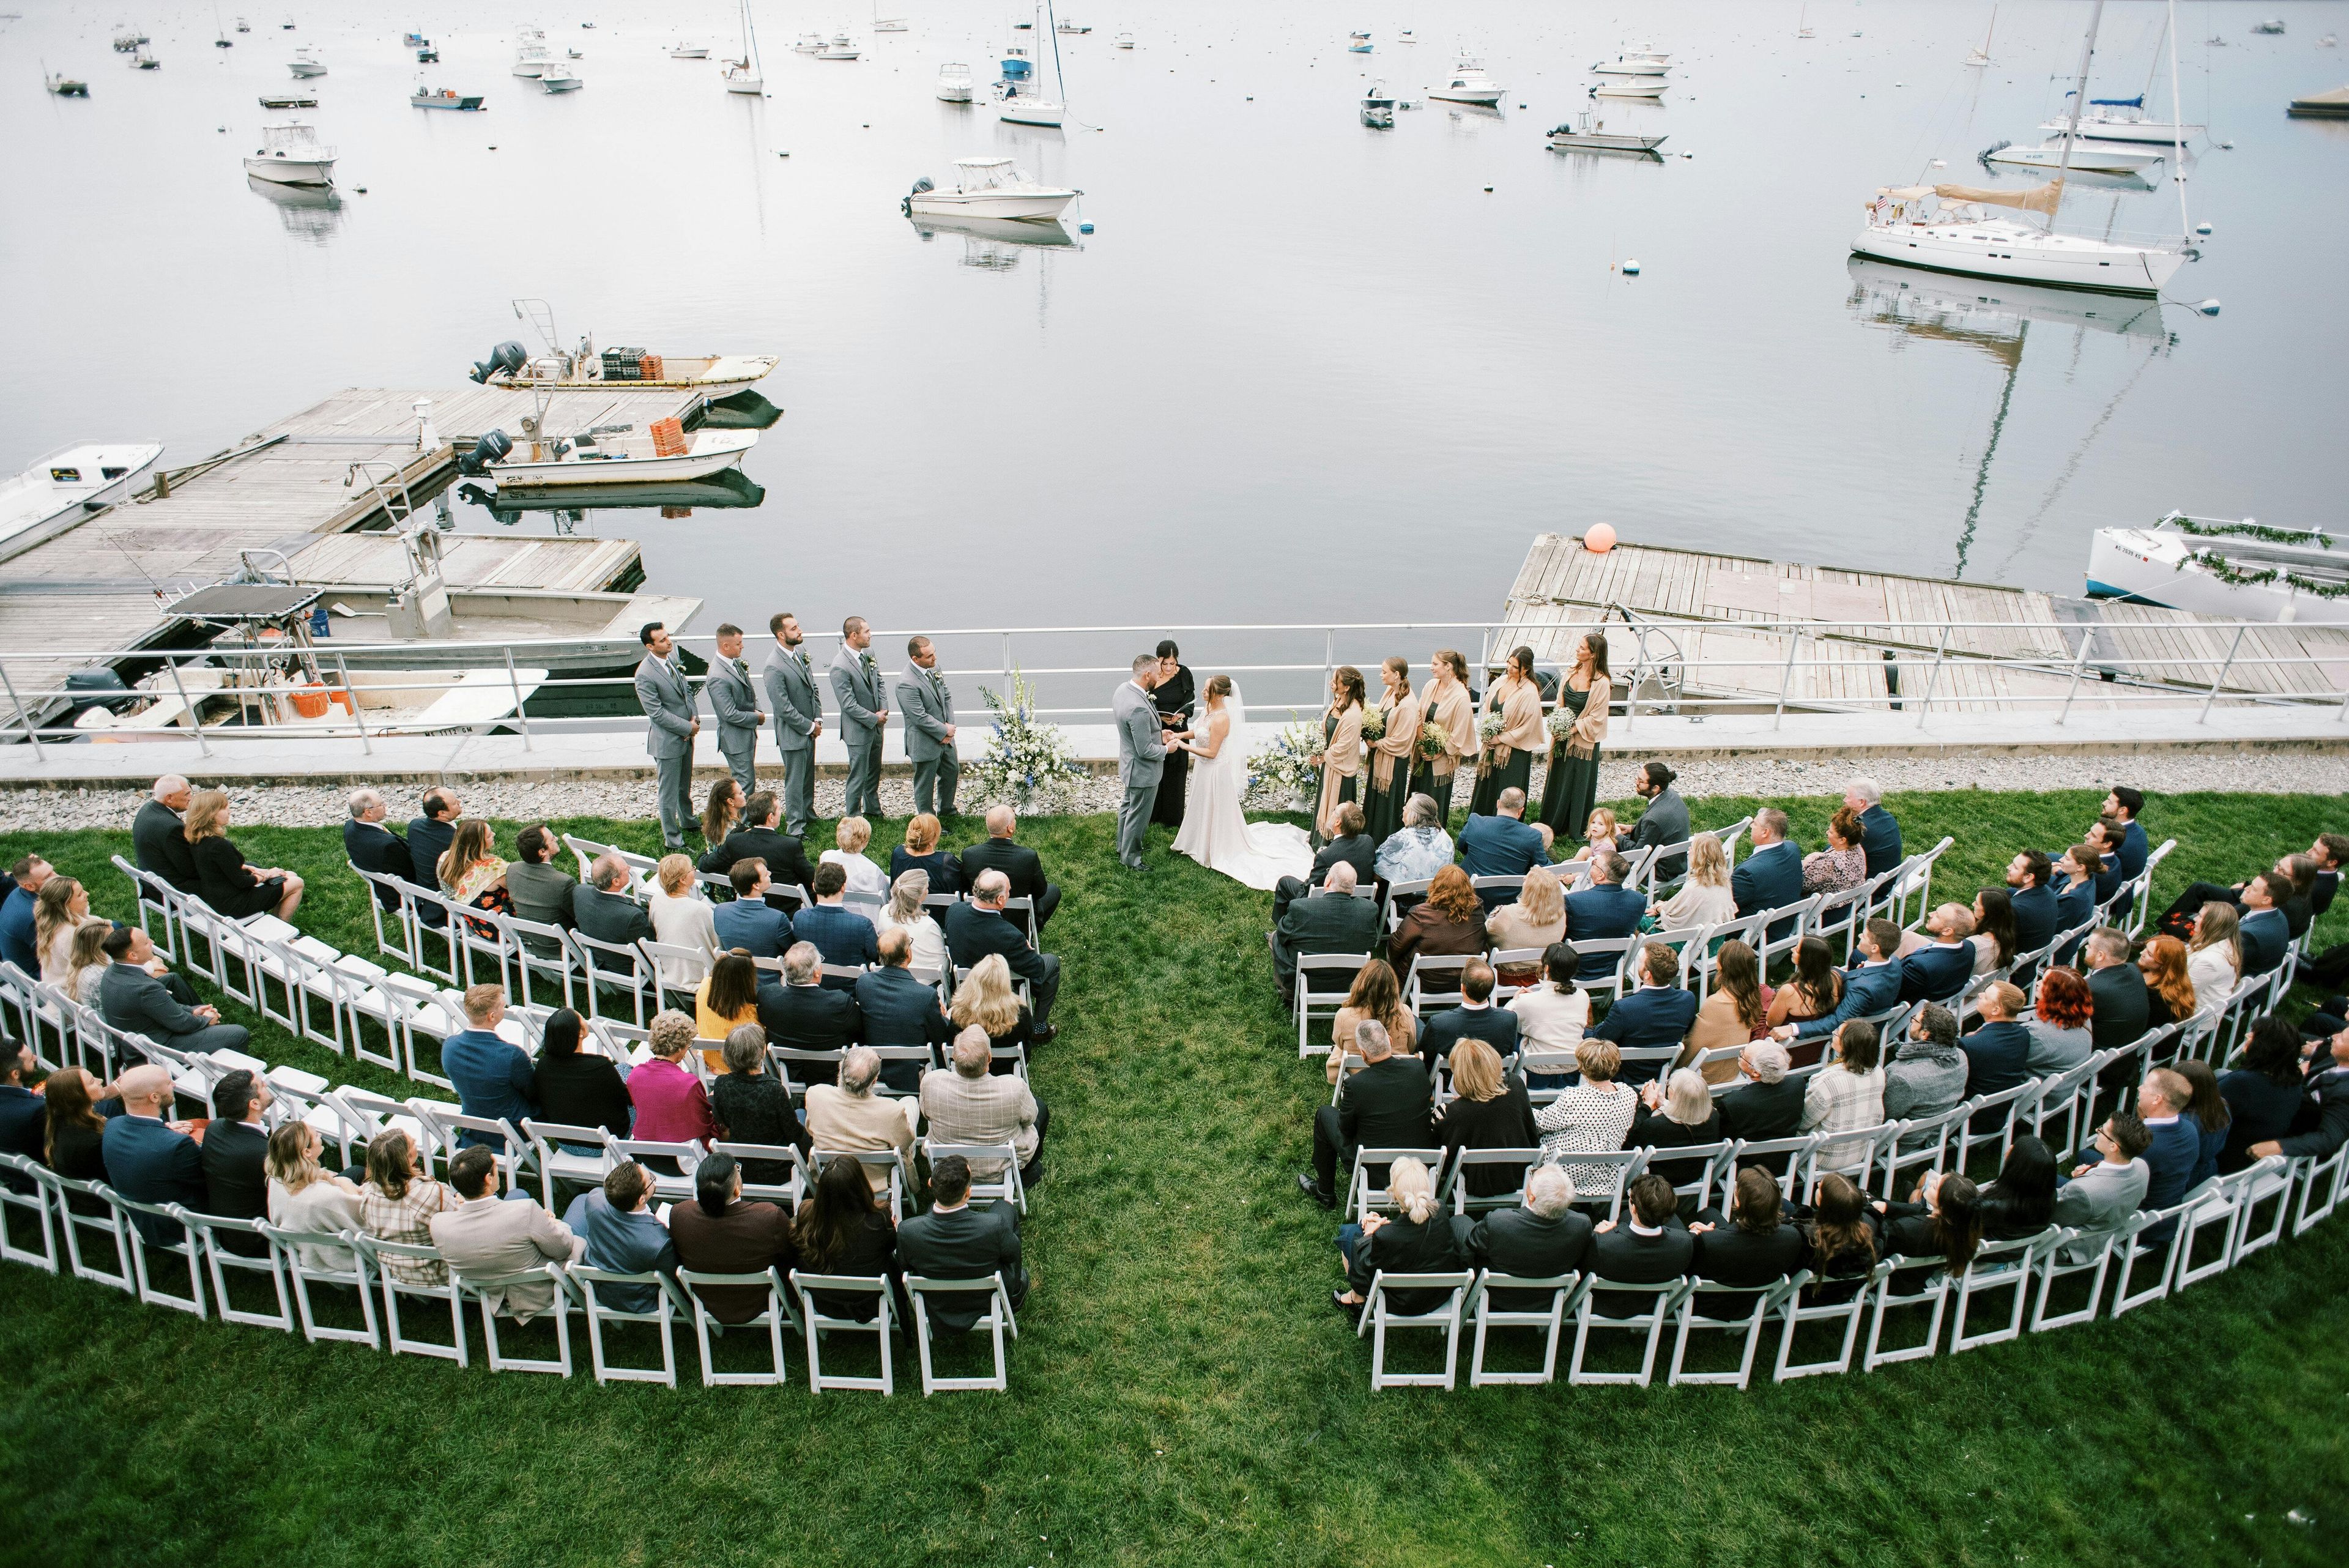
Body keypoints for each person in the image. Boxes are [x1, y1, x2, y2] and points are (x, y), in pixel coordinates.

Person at [1170, 674, 1313, 889]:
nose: (1202, 692)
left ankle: (1213, 846)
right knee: (1200, 805)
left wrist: (1184, 747)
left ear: (1218, 695)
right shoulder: (1208, 710)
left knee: (1215, 808)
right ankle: (1196, 840)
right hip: (1202, 770)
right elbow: (1199, 731)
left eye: (1207, 690)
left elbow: (1211, 752)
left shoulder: (1222, 718)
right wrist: (1180, 735)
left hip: (1215, 772)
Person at [424, 1144, 582, 1320]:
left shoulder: (438, 1224)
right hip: (538, 1287)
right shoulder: (526, 1211)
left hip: (492, 1290)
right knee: (582, 1201)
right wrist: (554, 1222)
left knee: (517, 1194)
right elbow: (563, 1248)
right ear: (488, 1179)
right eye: (496, 1169)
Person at [1299, 1019, 1433, 1209]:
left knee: (1325, 1114)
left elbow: (1345, 1128)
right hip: (1418, 1168)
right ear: (1390, 1041)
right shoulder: (1418, 1068)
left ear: (1363, 1054)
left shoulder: (1356, 1085)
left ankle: (1324, 1190)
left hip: (1375, 1174)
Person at [896, 1153, 1029, 1331]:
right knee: (1004, 1207)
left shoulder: (907, 1231)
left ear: (930, 1184)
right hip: (986, 1297)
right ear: (968, 1193)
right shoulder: (994, 1226)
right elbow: (1013, 1252)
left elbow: (903, 1265)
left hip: (936, 1302)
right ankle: (1015, 1293)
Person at [669, 1150, 796, 1323]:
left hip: (709, 1298)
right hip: (761, 1298)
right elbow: (790, 1253)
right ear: (737, 1189)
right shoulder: (768, 1216)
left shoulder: (679, 1214)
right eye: (738, 1172)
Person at [1331, 1153, 1463, 1317]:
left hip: (1404, 1303)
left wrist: (1370, 1234)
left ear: (1393, 1194)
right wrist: (1384, 1227)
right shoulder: (1441, 1209)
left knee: (1350, 1233)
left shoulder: (1386, 1237)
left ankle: (1357, 1300)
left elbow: (1365, 1268)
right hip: (1439, 1295)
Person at [923, 1025, 1049, 1186]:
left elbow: (926, 1114)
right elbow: (1030, 1117)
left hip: (950, 1166)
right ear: (990, 1058)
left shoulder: (931, 1083)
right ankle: (1025, 1173)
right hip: (999, 1168)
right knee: (1041, 1109)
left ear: (953, 1057)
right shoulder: (1014, 1088)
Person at [100, 925, 248, 1053]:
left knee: (173, 980)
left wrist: (193, 1011)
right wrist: (206, 1019)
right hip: (158, 1047)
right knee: (238, 1033)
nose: (152, 942)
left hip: (137, 1037)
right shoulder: (146, 988)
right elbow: (181, 1023)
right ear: (133, 955)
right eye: (146, 943)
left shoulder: (112, 971)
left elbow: (162, 1008)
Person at [945, 870, 1059, 1036]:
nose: (1009, 894)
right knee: (1052, 962)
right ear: (1000, 900)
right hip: (995, 984)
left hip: (966, 982)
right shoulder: (1011, 937)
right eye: (1008, 892)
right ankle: (1039, 1027)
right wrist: (1025, 950)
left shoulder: (954, 911)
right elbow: (1036, 968)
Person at [1463, 1164, 1592, 1304]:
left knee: (1460, 1221)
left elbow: (1471, 1245)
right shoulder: (1582, 1225)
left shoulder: (1499, 1221)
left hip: (1495, 1295)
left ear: (1531, 1196)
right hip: (1547, 1299)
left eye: (1533, 1177)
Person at [792, 1153, 901, 1320]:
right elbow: (893, 1247)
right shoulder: (877, 1221)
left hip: (824, 1301)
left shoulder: (806, 1214)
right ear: (861, 1185)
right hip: (869, 1302)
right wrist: (892, 1230)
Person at [563, 1161, 680, 1311]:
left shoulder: (595, 1199)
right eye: (651, 1178)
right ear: (641, 1200)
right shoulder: (657, 1242)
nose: (653, 1178)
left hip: (601, 1288)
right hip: (637, 1299)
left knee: (580, 1199)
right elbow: (675, 1273)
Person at [1435, 1036, 1538, 1200]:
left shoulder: (1456, 1112)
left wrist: (1441, 1114)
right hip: (1519, 1174)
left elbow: (1446, 1158)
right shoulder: (1516, 1085)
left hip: (1478, 1184)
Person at [1777, 918, 1902, 1051]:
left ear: (1875, 948)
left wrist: (1794, 1028)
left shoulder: (1862, 990)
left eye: (1864, 936)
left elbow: (1837, 1020)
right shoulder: (1894, 963)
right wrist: (1863, 971)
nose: (1860, 936)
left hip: (1855, 1033)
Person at [804, 1046, 919, 1192]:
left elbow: (810, 1130)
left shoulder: (816, 1094)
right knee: (910, 1102)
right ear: (874, 1081)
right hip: (874, 1181)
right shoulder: (891, 1110)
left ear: (841, 1069)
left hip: (831, 1174)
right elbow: (904, 1144)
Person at [1533, 1038, 1638, 1197]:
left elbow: (1542, 1123)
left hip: (1565, 1173)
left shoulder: (1575, 1097)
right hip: (1607, 1176)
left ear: (1582, 1067)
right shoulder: (1629, 1095)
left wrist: (1526, 1110)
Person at [357, 1130, 460, 1287]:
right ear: (408, 1158)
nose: (415, 1139)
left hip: (399, 1271)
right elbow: (461, 1224)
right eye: (412, 1144)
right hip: (438, 1273)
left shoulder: (368, 1194)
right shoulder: (432, 1193)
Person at [185, 789, 304, 920]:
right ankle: (282, 929)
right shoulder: (219, 846)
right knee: (297, 883)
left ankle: (276, 923)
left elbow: (221, 868)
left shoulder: (198, 840)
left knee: (289, 875)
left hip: (219, 899)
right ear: (210, 815)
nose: (229, 811)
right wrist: (266, 875)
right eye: (224, 808)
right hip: (236, 904)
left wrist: (248, 868)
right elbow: (242, 882)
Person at [634, 621, 702, 850]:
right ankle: (673, 840)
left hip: (687, 734)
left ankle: (689, 821)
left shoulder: (673, 659)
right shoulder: (644, 674)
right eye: (662, 640)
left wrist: (694, 717)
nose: (669, 641)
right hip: (667, 742)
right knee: (668, 794)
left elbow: (687, 690)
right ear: (650, 646)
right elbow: (657, 713)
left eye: (668, 636)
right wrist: (686, 728)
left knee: (684, 785)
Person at [710, 1023, 811, 1174]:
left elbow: (726, 1122)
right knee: (802, 1114)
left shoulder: (721, 1083)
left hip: (742, 1167)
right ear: (762, 1052)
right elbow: (794, 1133)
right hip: (779, 1170)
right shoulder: (774, 1089)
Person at [1592, 942, 1699, 1083]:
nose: (1638, 963)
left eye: (1641, 961)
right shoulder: (1688, 1000)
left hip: (1623, 1073)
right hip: (1660, 1071)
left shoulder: (1624, 1008)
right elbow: (1688, 1029)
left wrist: (1601, 1025)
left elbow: (1601, 1038)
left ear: (1648, 974)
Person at [1587, 1173, 1696, 1312]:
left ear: (1634, 1208)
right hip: (1652, 1304)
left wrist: (1597, 1235)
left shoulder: (1603, 1244)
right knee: (1625, 1216)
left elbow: (1586, 1270)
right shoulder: (1684, 1243)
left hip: (1606, 1304)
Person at [1538, 632, 1610, 841]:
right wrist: (1557, 722)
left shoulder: (1602, 683)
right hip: (1562, 736)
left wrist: (1573, 729)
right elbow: (1560, 701)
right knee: (1559, 776)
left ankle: (1574, 824)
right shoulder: (1570, 672)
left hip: (1582, 740)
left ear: (1593, 654)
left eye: (1582, 648)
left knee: (1576, 780)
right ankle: (1553, 820)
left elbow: (1597, 717)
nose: (1577, 651)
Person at [264, 1121, 365, 1269]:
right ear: (307, 1152)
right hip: (339, 1257)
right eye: (317, 1136)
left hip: (308, 1252)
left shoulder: (275, 1181)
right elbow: (365, 1216)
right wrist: (344, 1183)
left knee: (356, 1171)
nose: (321, 1135)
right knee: (356, 1178)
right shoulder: (324, 1196)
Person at [2246, 1025, 2349, 1164]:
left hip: (2289, 1131)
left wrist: (2279, 1146)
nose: (2334, 1038)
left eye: (2342, 1039)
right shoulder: (2335, 1058)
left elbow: (2329, 1139)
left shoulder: (2345, 1093)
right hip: (2287, 1104)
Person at [2053, 1112, 2153, 1257]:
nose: (2097, 1131)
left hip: (2068, 1248)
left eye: (2102, 1130)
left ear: (2113, 1147)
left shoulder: (2083, 1191)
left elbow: (2054, 1217)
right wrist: (2090, 1172)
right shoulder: (2141, 1166)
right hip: (2103, 1223)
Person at [1689, 1166, 1806, 1288]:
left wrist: (1699, 1235)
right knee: (1709, 1213)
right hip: (1756, 1298)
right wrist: (1717, 1234)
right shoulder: (1793, 1236)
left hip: (1705, 1303)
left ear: (1739, 1201)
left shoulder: (1707, 1243)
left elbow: (1688, 1271)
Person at [762, 611, 824, 838]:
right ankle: (796, 827)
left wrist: (817, 717)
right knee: (795, 782)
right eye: (794, 629)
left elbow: (812, 687)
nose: (800, 631)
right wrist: (808, 726)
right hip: (793, 733)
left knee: (808, 776)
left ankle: (808, 812)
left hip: (809, 729)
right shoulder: (773, 666)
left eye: (798, 626)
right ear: (781, 635)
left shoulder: (800, 653)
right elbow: (783, 708)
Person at [2219, 1017, 2309, 1172]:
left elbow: (2200, 1111)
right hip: (2249, 1159)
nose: (2248, 1036)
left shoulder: (2243, 1083)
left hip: (2222, 1157)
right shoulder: (2294, 1085)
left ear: (2264, 1047)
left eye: (2254, 1035)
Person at [1677, 938, 1772, 1083]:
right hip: (1732, 1071)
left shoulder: (1715, 1003)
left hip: (1705, 1076)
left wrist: (1673, 1067)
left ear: (1721, 966)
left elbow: (1692, 1046)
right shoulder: (1751, 998)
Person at [1271, 802, 1376, 927]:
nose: (1331, 812)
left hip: (1330, 905)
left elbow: (1309, 889)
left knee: (1285, 883)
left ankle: (1283, 929)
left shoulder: (1326, 856)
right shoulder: (1368, 842)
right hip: (1358, 903)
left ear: (1338, 822)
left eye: (1334, 810)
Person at [530, 1008, 630, 1139]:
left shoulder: (543, 1065)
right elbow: (627, 1099)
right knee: (626, 1070)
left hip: (567, 1142)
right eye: (582, 1018)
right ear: (579, 1033)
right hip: (608, 1140)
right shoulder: (600, 1066)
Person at [858, 927, 955, 1061]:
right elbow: (942, 1037)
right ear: (908, 954)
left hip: (874, 1062)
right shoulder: (926, 995)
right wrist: (942, 1016)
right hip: (912, 1070)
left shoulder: (864, 983)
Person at [959, 805, 1061, 932]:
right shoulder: (1028, 857)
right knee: (1054, 891)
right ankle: (1031, 931)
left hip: (982, 916)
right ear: (1010, 828)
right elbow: (1041, 891)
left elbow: (965, 888)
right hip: (1019, 921)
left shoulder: (970, 854)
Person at [1469, 645, 1543, 819]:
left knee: (1507, 788)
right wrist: (1488, 731)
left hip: (1513, 752)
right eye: (1508, 663)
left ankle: (1504, 824)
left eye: (1515, 666)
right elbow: (1488, 708)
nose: (1509, 668)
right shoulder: (1499, 682)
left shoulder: (1530, 692)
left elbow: (1528, 727)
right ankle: (1481, 819)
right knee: (1486, 786)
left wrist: (1501, 738)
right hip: (1492, 746)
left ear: (1526, 669)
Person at [1800, 1020, 1885, 1170]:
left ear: (1848, 1046)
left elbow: (1803, 1121)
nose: (1833, 1033)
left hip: (1821, 1156)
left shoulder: (1827, 1081)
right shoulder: (1879, 1072)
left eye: (1837, 1033)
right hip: (1858, 1152)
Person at [1111, 652, 1169, 872]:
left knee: (1127, 808)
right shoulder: (1138, 707)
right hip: (1143, 772)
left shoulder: (1123, 690)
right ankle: (1131, 859)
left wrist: (1158, 734)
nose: (1160, 677)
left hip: (1129, 764)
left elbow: (1134, 733)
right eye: (1158, 674)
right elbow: (1145, 750)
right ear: (1147, 675)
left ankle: (1122, 846)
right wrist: (1166, 748)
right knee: (1138, 816)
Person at [199, 1069, 271, 1241]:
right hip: (257, 1236)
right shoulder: (264, 1154)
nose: (266, 1085)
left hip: (225, 1229)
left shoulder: (215, 1129)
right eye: (261, 1086)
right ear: (254, 1103)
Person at [1386, 863, 1485, 987]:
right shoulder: (1477, 910)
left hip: (1423, 980)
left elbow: (1395, 946)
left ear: (1436, 885)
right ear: (1468, 888)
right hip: (1462, 979)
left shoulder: (1421, 914)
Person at [1628, 1068, 1723, 1195]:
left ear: (1676, 1096)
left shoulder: (1655, 1126)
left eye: (1669, 1086)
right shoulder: (1714, 1117)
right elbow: (1686, 1113)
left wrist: (1647, 1106)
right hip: (1692, 1176)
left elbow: (1629, 1144)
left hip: (1656, 1181)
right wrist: (1663, 1103)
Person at [700, 789, 815, 893]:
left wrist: (705, 853)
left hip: (747, 905)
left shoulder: (733, 842)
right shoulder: (791, 845)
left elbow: (704, 865)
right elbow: (811, 878)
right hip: (786, 909)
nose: (781, 812)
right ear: (770, 817)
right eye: (779, 809)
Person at [1408, 649, 1477, 822]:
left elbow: (1460, 733)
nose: (1431, 668)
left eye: (1435, 664)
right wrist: (1421, 738)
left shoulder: (1461, 696)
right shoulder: (1431, 685)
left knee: (1434, 800)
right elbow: (1419, 712)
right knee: (1416, 796)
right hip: (1423, 752)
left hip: (1442, 759)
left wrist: (1439, 752)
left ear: (1448, 667)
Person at [1507, 943, 1588, 1090]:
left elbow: (1510, 1023)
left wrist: (1514, 1002)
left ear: (1547, 968)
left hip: (1535, 1075)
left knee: (1512, 1033)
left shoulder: (1527, 1002)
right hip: (1572, 1073)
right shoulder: (1583, 996)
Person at [627, 1011, 716, 1145]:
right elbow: (705, 1124)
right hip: (684, 1158)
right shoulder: (689, 1084)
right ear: (680, 1048)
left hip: (647, 1153)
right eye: (688, 1044)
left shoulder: (634, 1076)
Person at [759, 941, 862, 1054]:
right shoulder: (840, 1003)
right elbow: (860, 1033)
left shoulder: (768, 997)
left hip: (787, 1069)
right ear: (816, 972)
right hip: (833, 1069)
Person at [1360, 656, 1422, 845]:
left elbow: (1402, 741)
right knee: (1375, 799)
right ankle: (1370, 833)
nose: (1381, 674)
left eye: (1384, 671)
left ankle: (1384, 838)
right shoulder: (1389, 692)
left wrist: (1378, 744)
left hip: (1394, 763)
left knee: (1389, 803)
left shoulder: (1409, 704)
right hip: (1381, 758)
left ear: (1397, 675)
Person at [1874, 1169, 1983, 1276]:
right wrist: (1888, 1207)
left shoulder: (1905, 1229)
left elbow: (1873, 1241)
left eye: (1935, 1187)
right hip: (1914, 1279)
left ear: (1944, 1207)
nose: (1930, 1182)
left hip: (1884, 1276)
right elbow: (1923, 1211)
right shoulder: (1955, 1231)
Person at [1326, 959, 1417, 1083]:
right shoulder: (1405, 1012)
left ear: (1361, 984)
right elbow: (1411, 1046)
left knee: (1339, 1048)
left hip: (1359, 1078)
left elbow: (1340, 1044)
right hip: (1397, 1077)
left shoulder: (1343, 1015)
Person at [1789, 1172, 1879, 1296]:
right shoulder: (1870, 1228)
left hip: (1807, 1295)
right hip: (1845, 1293)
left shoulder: (1809, 1239)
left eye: (1821, 1188)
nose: (1819, 1184)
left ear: (1824, 1203)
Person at [1882, 1002, 1967, 1132]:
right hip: (1936, 1133)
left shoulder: (1902, 1077)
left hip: (1900, 1141)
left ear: (1925, 1034)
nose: (1912, 1021)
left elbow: (1883, 1117)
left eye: (1915, 1019)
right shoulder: (1961, 1057)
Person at [1308, 666, 1368, 847]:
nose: (1331, 683)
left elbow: (1343, 747)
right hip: (1330, 763)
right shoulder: (1338, 701)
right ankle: (1318, 838)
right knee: (1323, 801)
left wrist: (1322, 757)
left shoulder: (1353, 714)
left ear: (1347, 687)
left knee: (1337, 806)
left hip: (1340, 770)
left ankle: (1332, 843)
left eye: (1335, 681)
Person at [1419, 959, 1520, 1067]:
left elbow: (1426, 1058)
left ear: (1462, 987)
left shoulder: (1439, 1024)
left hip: (1449, 1082)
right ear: (1491, 988)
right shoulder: (1509, 1020)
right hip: (1492, 1080)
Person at [1561, 849, 1643, 978]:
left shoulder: (1575, 901)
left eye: (1595, 863)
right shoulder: (1639, 900)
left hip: (1573, 967)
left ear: (1601, 876)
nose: (1592, 863)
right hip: (1611, 967)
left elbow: (1562, 934)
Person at [795, 862, 880, 983]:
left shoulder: (800, 918)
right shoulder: (862, 925)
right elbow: (877, 955)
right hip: (852, 992)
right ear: (843, 887)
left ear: (814, 886)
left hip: (814, 985)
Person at [704, 623, 764, 795]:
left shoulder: (733, 662)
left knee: (747, 780)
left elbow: (749, 690)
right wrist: (756, 718)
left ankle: (743, 819)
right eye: (739, 644)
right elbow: (728, 714)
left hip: (745, 735)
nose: (742, 646)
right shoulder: (717, 676)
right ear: (726, 646)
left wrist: (757, 709)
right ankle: (742, 821)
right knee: (744, 783)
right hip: (735, 739)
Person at [1485, 865, 1565, 984]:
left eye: (1527, 880)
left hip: (1506, 976)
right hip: (1543, 975)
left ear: (1531, 892)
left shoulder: (1507, 914)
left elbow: (1485, 931)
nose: (1523, 880)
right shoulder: (1562, 916)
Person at [1730, 808, 1803, 940]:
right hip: (1782, 925)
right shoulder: (1793, 848)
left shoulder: (1748, 872)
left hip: (1755, 934)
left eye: (1755, 823)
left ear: (1765, 832)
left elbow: (1726, 904)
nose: (1751, 826)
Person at [648, 853, 719, 986]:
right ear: (682, 880)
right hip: (701, 974)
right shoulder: (700, 909)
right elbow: (718, 944)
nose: (694, 870)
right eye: (691, 869)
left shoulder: (656, 899)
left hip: (671, 970)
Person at [1148, 640, 1197, 830]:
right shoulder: (1151, 676)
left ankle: (1173, 818)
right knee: (1156, 771)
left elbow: (1191, 700)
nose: (1169, 668)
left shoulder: (1184, 673)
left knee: (1176, 773)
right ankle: (1153, 815)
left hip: (1178, 728)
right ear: (1158, 660)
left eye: (1172, 663)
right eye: (1164, 663)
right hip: (1157, 729)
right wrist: (1160, 717)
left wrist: (1182, 715)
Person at [1715, 1039, 1805, 1142]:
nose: (1741, 1053)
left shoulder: (1732, 1103)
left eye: (1743, 1056)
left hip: (1741, 1155)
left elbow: (1723, 1139)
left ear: (1756, 1073)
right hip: (1784, 1153)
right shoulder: (1797, 1083)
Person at [2136, 1069, 2200, 1211]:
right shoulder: (2191, 1129)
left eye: (2145, 1086)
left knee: (2085, 1155)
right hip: (2170, 1204)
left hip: (2141, 1212)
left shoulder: (2143, 1144)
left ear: (2157, 1099)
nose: (2139, 1088)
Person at [949, 952, 1034, 1058]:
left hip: (972, 1066)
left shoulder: (959, 1013)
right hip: (1010, 1064)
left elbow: (952, 1039)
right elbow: (1029, 1035)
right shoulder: (1021, 1014)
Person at [2079, 927, 2150, 1055]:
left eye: (2089, 946)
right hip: (2126, 1052)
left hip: (2097, 1058)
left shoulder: (2092, 989)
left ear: (2100, 955)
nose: (2086, 948)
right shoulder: (2133, 970)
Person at [504, 824, 576, 949]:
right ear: (542, 852)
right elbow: (577, 917)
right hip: (560, 948)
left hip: (528, 944)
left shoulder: (512, 869)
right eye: (553, 839)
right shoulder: (563, 882)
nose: (557, 839)